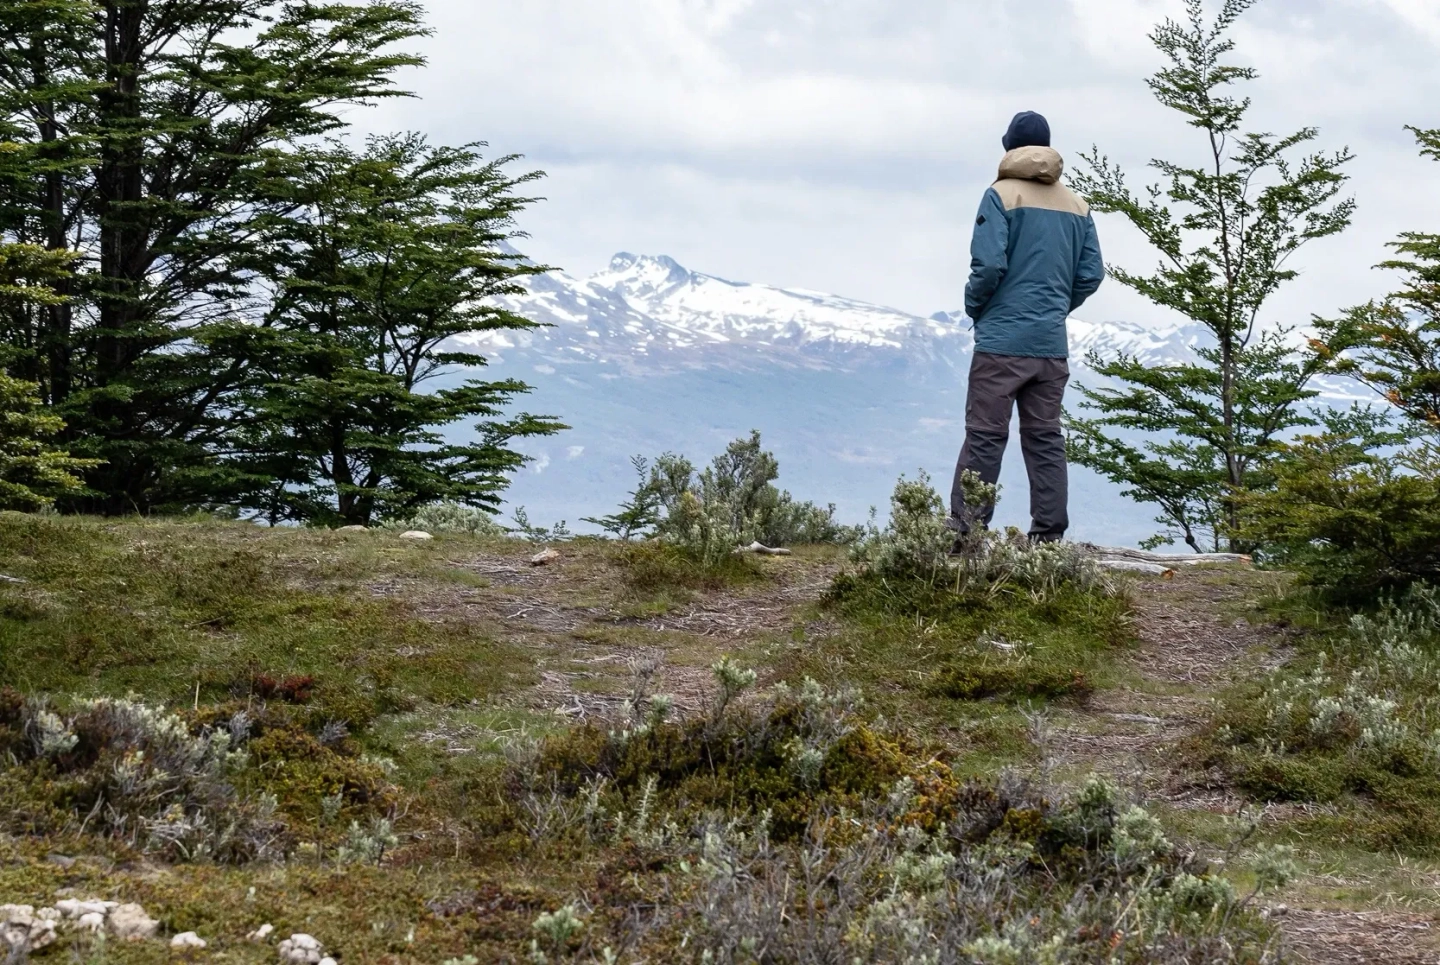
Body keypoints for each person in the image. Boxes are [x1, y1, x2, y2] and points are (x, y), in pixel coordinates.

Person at [950, 110, 1104, 548]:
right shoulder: (1077, 204)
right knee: (1045, 439)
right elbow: (1091, 273)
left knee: (985, 437)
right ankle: (1048, 537)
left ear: (1009, 148)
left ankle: (966, 535)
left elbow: (988, 265)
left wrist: (977, 308)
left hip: (1001, 344)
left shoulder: (1000, 195)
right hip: (1050, 347)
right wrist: (1055, 309)